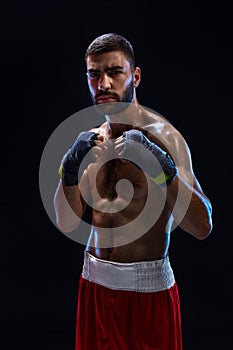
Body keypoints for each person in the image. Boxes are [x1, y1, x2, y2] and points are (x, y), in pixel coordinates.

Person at [54, 33, 213, 350]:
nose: (103, 84)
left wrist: (162, 166)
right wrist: (68, 168)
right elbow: (67, 222)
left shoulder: (165, 138)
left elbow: (202, 226)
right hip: (94, 287)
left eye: (114, 72)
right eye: (94, 74)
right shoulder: (89, 140)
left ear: (135, 76)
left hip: (147, 295)